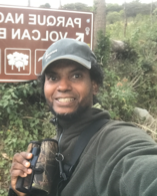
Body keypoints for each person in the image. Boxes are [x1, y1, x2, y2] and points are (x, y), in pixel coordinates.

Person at [9, 38, 157, 196]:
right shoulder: (53, 146)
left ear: (94, 85)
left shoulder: (115, 140)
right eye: (53, 78)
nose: (63, 86)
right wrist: (20, 192)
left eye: (76, 76)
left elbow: (144, 169)